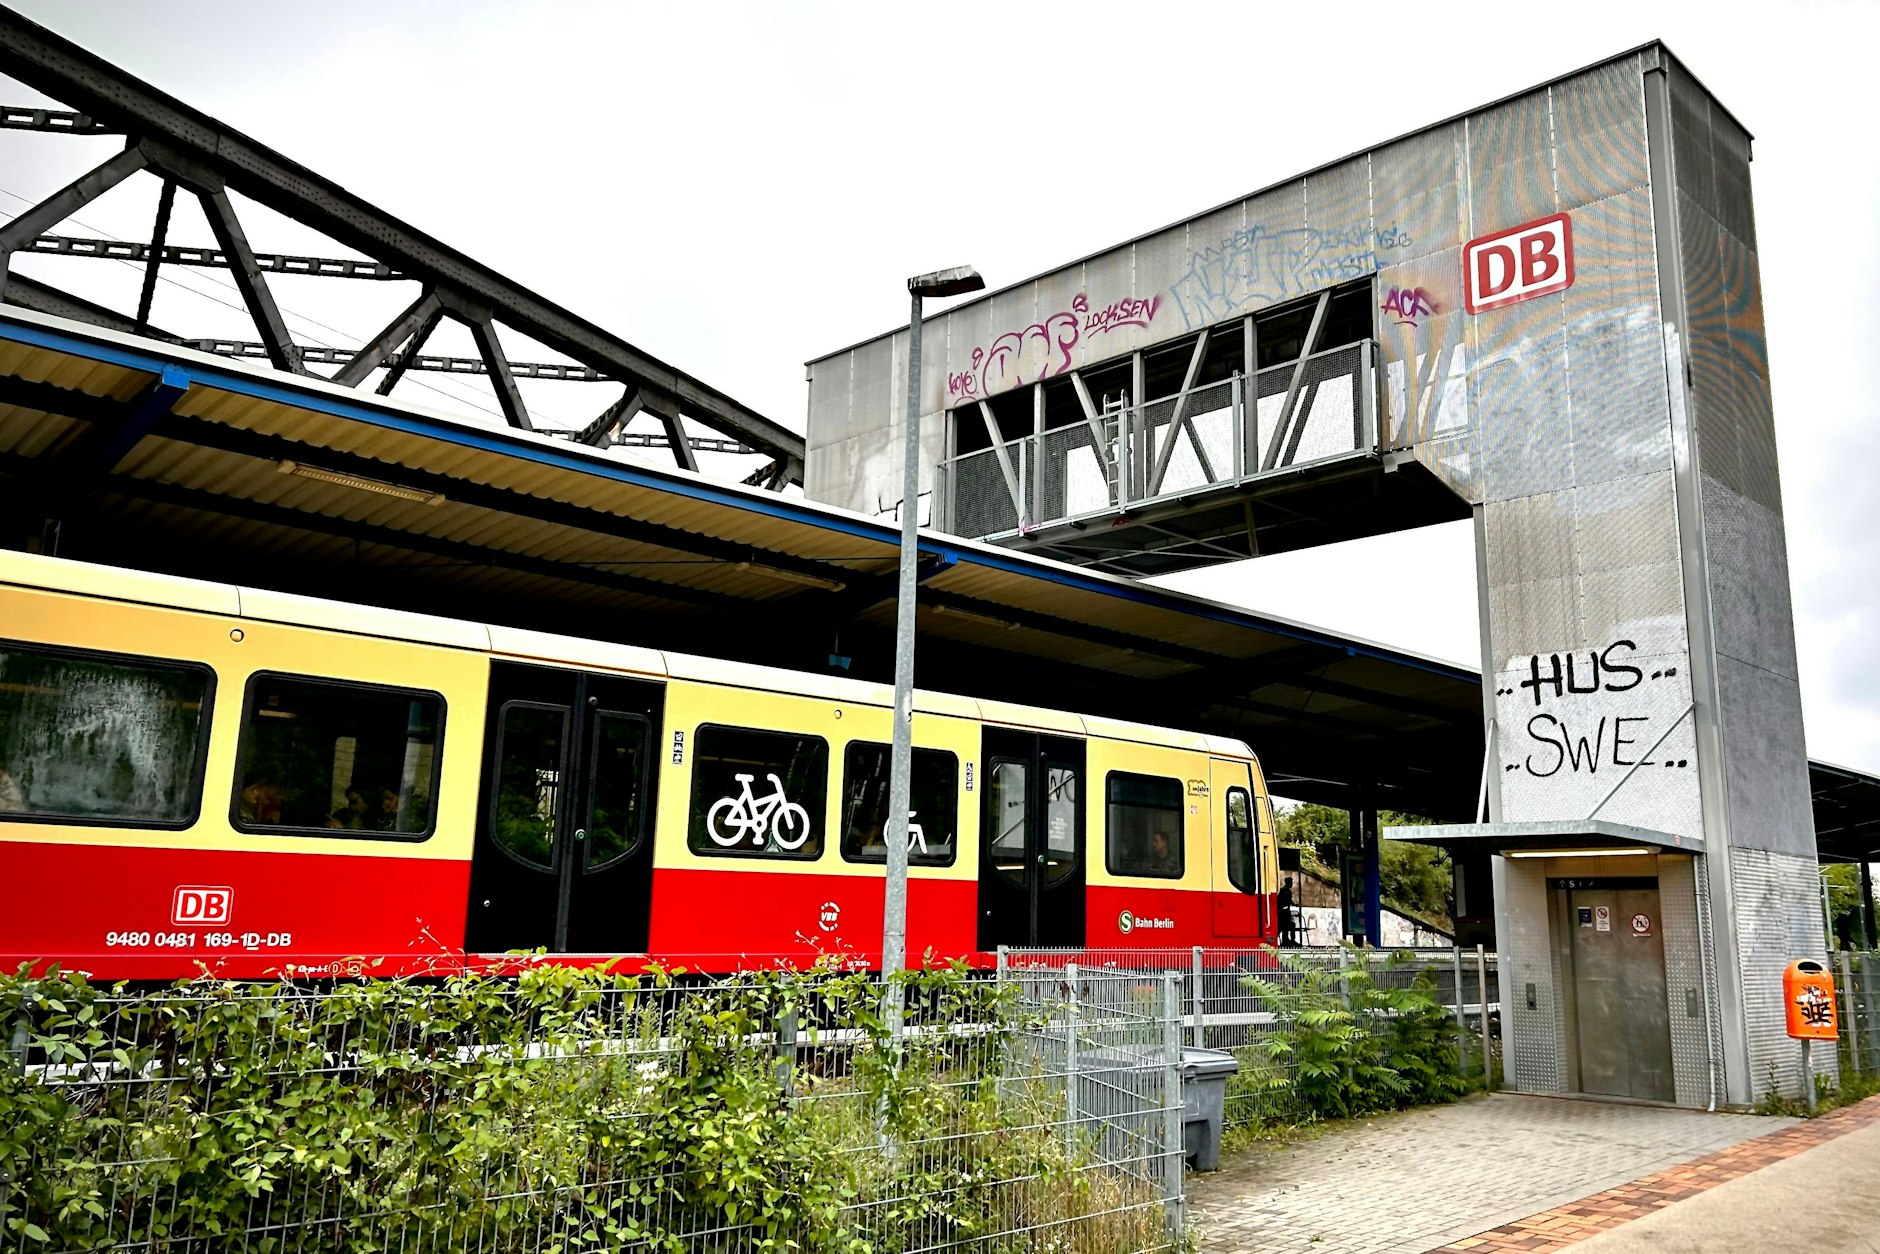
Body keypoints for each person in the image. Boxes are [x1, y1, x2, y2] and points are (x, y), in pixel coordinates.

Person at [1277, 875, 1298, 947]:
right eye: (1291, 882)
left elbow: (1289, 901)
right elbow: (1283, 901)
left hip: (1285, 912)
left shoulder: (1287, 891)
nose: (1292, 884)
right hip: (1283, 913)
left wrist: (1294, 904)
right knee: (1285, 926)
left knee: (1288, 926)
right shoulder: (1284, 891)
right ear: (1288, 882)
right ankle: (1287, 940)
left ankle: (1287, 940)